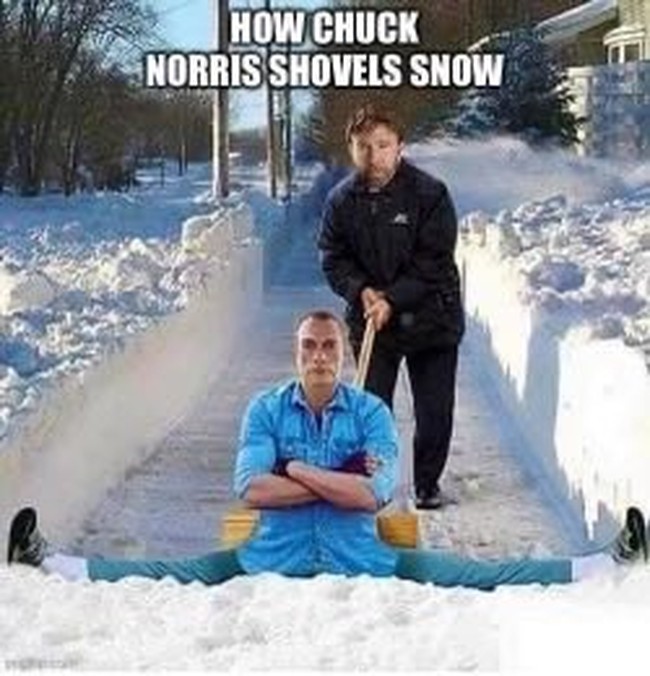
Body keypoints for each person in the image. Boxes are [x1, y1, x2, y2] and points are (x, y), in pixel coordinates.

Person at [6, 310, 649, 588]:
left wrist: (294, 468)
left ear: (343, 353)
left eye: (330, 347)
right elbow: (250, 488)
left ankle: (601, 564)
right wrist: (332, 479)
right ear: (296, 353)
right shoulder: (265, 408)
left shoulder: (370, 412)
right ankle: (48, 561)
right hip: (268, 561)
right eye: (309, 346)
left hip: (364, 563)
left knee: (479, 575)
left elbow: (374, 494)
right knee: (164, 574)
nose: (319, 355)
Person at [317, 103, 464, 509]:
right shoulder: (341, 201)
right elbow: (332, 256)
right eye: (363, 146)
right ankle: (373, 482)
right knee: (372, 409)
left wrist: (393, 299)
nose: (374, 155)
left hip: (432, 317)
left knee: (434, 411)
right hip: (373, 323)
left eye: (383, 145)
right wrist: (361, 290)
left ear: (400, 146)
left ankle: (427, 483)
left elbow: (433, 260)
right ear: (351, 148)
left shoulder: (430, 194)